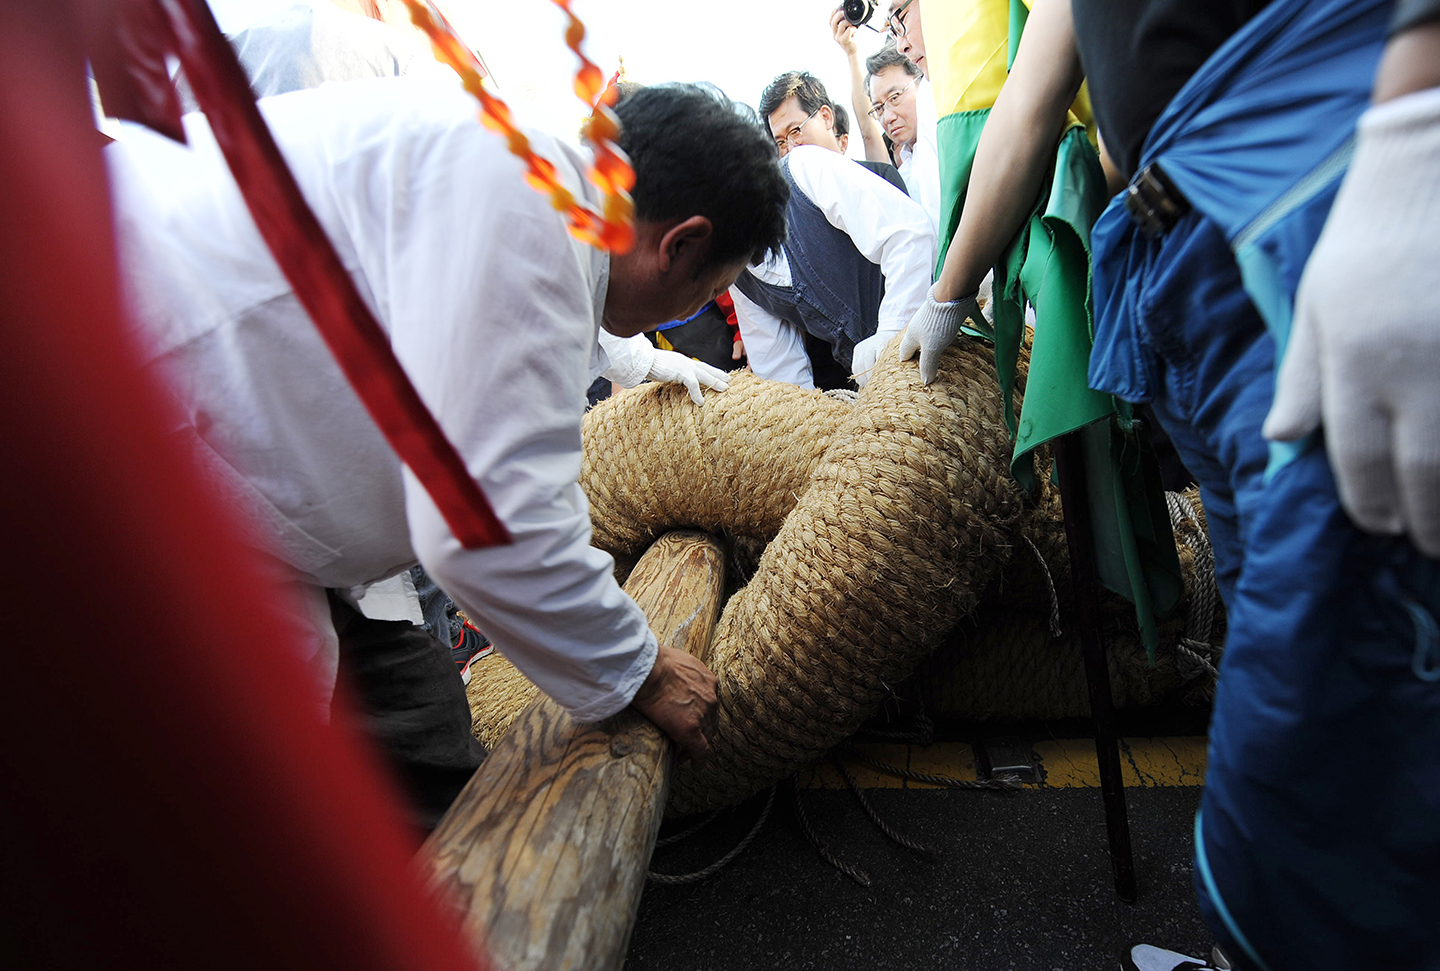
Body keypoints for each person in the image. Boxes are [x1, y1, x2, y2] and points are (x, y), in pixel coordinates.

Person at [891, 0, 1440, 967]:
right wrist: (949, 292)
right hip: (1181, 269)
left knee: (1339, 671)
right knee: (1270, 617)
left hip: (1311, 189)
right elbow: (1030, 98)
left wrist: (1415, 126)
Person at [107, 78, 788, 769]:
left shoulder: (528, 181)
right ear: (678, 243)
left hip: (239, 500)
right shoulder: (530, 208)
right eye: (701, 293)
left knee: (414, 736)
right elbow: (487, 525)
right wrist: (642, 669)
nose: (685, 312)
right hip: (115, 429)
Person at [732, 70, 934, 390]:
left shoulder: (804, 168)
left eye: (795, 131)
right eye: (780, 141)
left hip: (927, 347)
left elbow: (908, 234)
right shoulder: (736, 277)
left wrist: (891, 334)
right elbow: (779, 367)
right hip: (861, 384)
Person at [865, 41, 942, 235]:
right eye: (879, 109)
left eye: (894, 98)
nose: (887, 117)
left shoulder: (942, 135)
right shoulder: (903, 173)